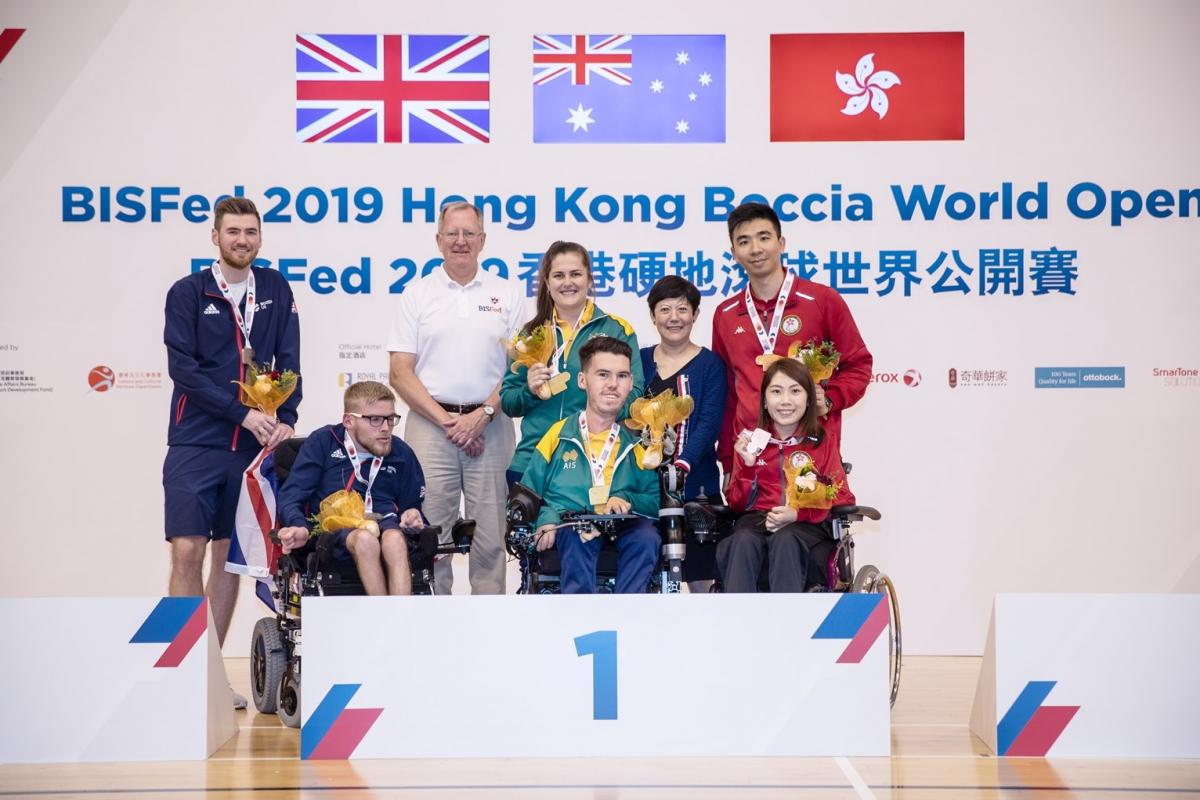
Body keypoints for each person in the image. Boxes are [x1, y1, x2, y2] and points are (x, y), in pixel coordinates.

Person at [163, 196, 301, 709]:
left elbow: (290, 359)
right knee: (187, 550)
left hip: (253, 447)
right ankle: (181, 672)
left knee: (228, 556)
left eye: (251, 232)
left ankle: (209, 677)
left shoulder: (276, 288)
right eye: (233, 232)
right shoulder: (186, 293)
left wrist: (285, 419)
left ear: (260, 237)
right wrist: (241, 413)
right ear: (215, 237)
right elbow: (186, 370)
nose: (242, 240)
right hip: (197, 440)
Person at [387, 201, 526, 595]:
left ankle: (488, 633)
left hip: (492, 424)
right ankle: (436, 633)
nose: (461, 241)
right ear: (438, 240)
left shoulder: (507, 293)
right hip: (431, 429)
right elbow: (400, 371)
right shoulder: (417, 294)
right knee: (431, 537)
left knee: (490, 537)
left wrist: (482, 414)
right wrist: (449, 421)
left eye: (469, 233)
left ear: (483, 240)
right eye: (453, 233)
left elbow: (518, 366)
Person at [711, 202, 872, 483]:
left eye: (764, 237)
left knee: (797, 529)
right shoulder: (725, 315)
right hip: (752, 458)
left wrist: (831, 399)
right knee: (745, 530)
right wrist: (729, 462)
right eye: (744, 241)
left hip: (812, 454)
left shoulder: (822, 301)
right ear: (734, 253)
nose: (756, 249)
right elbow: (728, 396)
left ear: (781, 243)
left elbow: (858, 365)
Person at [520, 337, 659, 594]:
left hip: (622, 526)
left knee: (647, 537)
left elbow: (654, 501)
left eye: (622, 376)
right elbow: (528, 494)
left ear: (631, 384)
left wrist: (628, 499)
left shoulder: (637, 443)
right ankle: (581, 621)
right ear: (583, 380)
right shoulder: (558, 434)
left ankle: (628, 617)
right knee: (577, 534)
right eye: (603, 374)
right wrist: (547, 519)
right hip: (571, 525)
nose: (613, 385)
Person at [501, 241, 643, 487]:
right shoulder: (529, 335)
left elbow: (636, 396)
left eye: (575, 274)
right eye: (558, 275)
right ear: (547, 283)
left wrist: (601, 413)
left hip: (594, 461)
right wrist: (530, 391)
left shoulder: (617, 330)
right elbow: (509, 402)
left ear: (589, 279)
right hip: (533, 461)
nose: (568, 282)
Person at [275, 381, 425, 596]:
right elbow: (291, 497)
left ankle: (397, 622)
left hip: (386, 524)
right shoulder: (324, 442)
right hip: (336, 531)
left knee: (394, 540)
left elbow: (411, 506)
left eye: (390, 419)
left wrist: (412, 515)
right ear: (349, 420)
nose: (385, 428)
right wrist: (299, 526)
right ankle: (384, 620)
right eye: (374, 419)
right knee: (365, 540)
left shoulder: (401, 452)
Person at [717, 360, 854, 593]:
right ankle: (737, 622)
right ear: (764, 400)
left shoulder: (822, 441)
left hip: (807, 525)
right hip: (758, 520)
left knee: (785, 540)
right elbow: (737, 504)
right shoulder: (752, 442)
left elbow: (842, 497)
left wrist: (798, 513)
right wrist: (748, 467)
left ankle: (788, 624)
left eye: (795, 391)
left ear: (809, 398)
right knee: (741, 540)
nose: (785, 401)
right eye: (776, 392)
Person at [638, 275, 727, 592]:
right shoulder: (640, 360)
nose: (673, 318)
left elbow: (708, 423)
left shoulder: (710, 364)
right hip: (644, 489)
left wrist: (684, 461)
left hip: (696, 488)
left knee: (700, 579)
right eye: (664, 309)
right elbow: (625, 416)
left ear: (695, 315)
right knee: (645, 573)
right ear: (652, 316)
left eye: (682, 309)